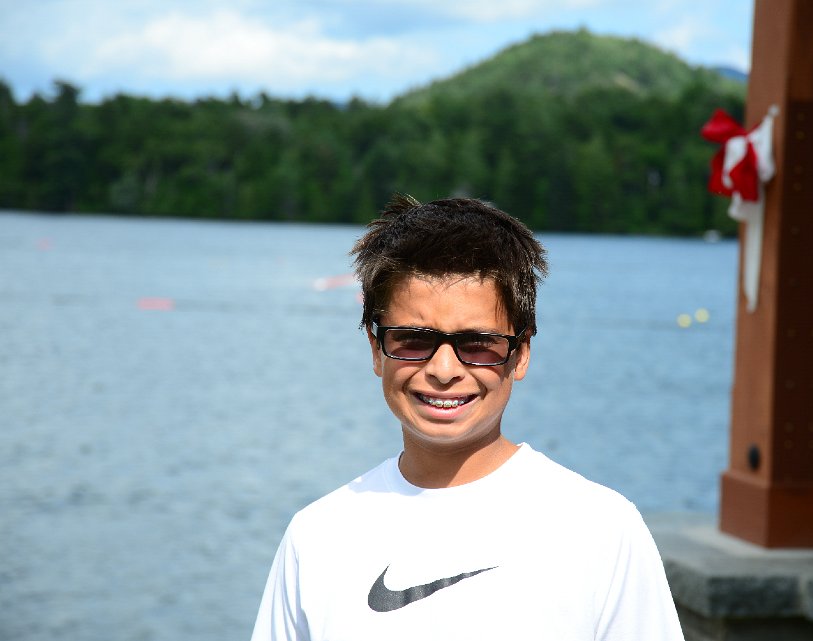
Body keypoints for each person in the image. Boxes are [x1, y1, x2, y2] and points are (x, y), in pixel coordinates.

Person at [250, 194, 684, 641]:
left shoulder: (600, 530)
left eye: (477, 344)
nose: (443, 370)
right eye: (413, 340)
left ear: (521, 353)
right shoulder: (317, 537)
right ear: (376, 349)